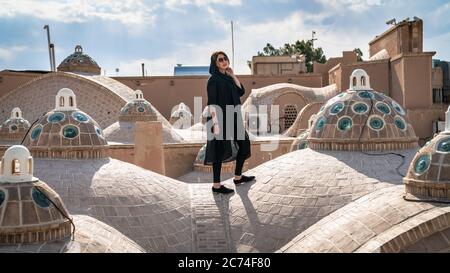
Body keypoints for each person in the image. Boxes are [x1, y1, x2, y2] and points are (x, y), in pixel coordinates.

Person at [203, 51, 255, 194]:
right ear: (215, 63)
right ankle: (216, 185)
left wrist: (232, 75)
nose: (224, 61)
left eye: (225, 58)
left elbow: (241, 91)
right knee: (218, 150)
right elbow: (212, 103)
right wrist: (215, 124)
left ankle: (238, 177)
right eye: (220, 59)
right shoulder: (213, 80)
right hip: (219, 118)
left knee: (244, 144)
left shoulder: (228, 78)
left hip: (233, 117)